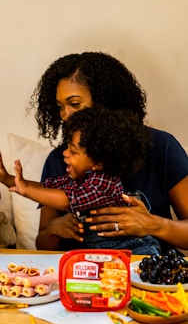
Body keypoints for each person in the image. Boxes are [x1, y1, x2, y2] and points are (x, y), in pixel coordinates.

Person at [25, 51, 188, 253]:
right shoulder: (61, 159)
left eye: (74, 104)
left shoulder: (162, 147)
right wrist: (54, 229)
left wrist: (155, 225)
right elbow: (42, 246)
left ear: (105, 101)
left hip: (148, 274)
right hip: (82, 277)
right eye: (60, 106)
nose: (65, 115)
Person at [5, 107, 160, 254]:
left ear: (98, 162)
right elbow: (47, 188)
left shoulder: (103, 184)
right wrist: (11, 180)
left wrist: (26, 189)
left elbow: (67, 200)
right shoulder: (83, 177)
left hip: (136, 249)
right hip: (104, 253)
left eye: (73, 151)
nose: (65, 153)